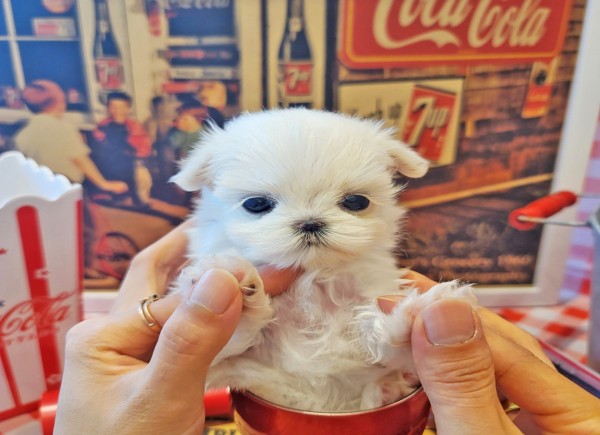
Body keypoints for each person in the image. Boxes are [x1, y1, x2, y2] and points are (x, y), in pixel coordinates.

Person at [54, 223, 600, 434]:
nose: (309, 225)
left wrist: (400, 336)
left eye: (354, 203)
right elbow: (222, 363)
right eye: (261, 205)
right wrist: (234, 323)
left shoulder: (378, 281)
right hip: (268, 393)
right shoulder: (237, 287)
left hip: (382, 394)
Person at [14, 80, 127, 194]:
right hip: (67, 186)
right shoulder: (64, 128)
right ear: (59, 103)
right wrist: (103, 184)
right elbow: (80, 160)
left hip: (41, 188)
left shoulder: (22, 135)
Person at [89, 91, 152, 207]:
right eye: (113, 106)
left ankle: (139, 199)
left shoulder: (135, 127)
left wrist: (133, 154)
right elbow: (96, 151)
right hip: (109, 165)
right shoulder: (101, 127)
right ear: (108, 108)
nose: (117, 111)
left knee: (142, 174)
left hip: (132, 164)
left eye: (122, 107)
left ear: (128, 108)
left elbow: (144, 150)